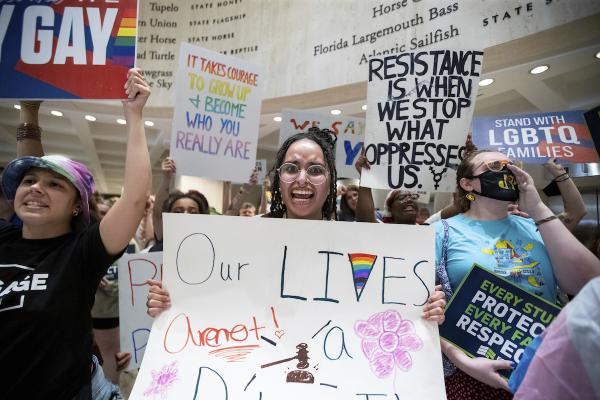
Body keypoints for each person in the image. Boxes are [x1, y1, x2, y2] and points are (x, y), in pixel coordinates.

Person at [147, 127, 446, 324]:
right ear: (279, 180)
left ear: (331, 184)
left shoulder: (359, 242)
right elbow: (204, 302)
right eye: (291, 168)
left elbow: (388, 305)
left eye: (315, 170)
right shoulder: (241, 238)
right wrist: (169, 302)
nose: (302, 178)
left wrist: (422, 307)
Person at [0, 68, 151, 399]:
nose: (37, 189)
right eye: (28, 182)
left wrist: (134, 116)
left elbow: (136, 199)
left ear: (75, 207)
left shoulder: (81, 252)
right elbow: (30, 164)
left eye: (55, 185)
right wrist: (29, 109)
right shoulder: (4, 240)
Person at [435, 149, 600, 399]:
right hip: (473, 371)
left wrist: (537, 207)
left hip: (544, 364)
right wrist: (462, 361)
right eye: (494, 166)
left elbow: (589, 283)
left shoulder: (537, 226)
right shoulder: (441, 232)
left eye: (511, 164)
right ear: (468, 184)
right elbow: (420, 309)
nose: (507, 170)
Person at [150, 156, 209, 252]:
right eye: (178, 212)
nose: (185, 215)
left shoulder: (208, 247)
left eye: (193, 212)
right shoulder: (164, 236)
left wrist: (243, 189)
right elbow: (157, 214)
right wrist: (166, 179)